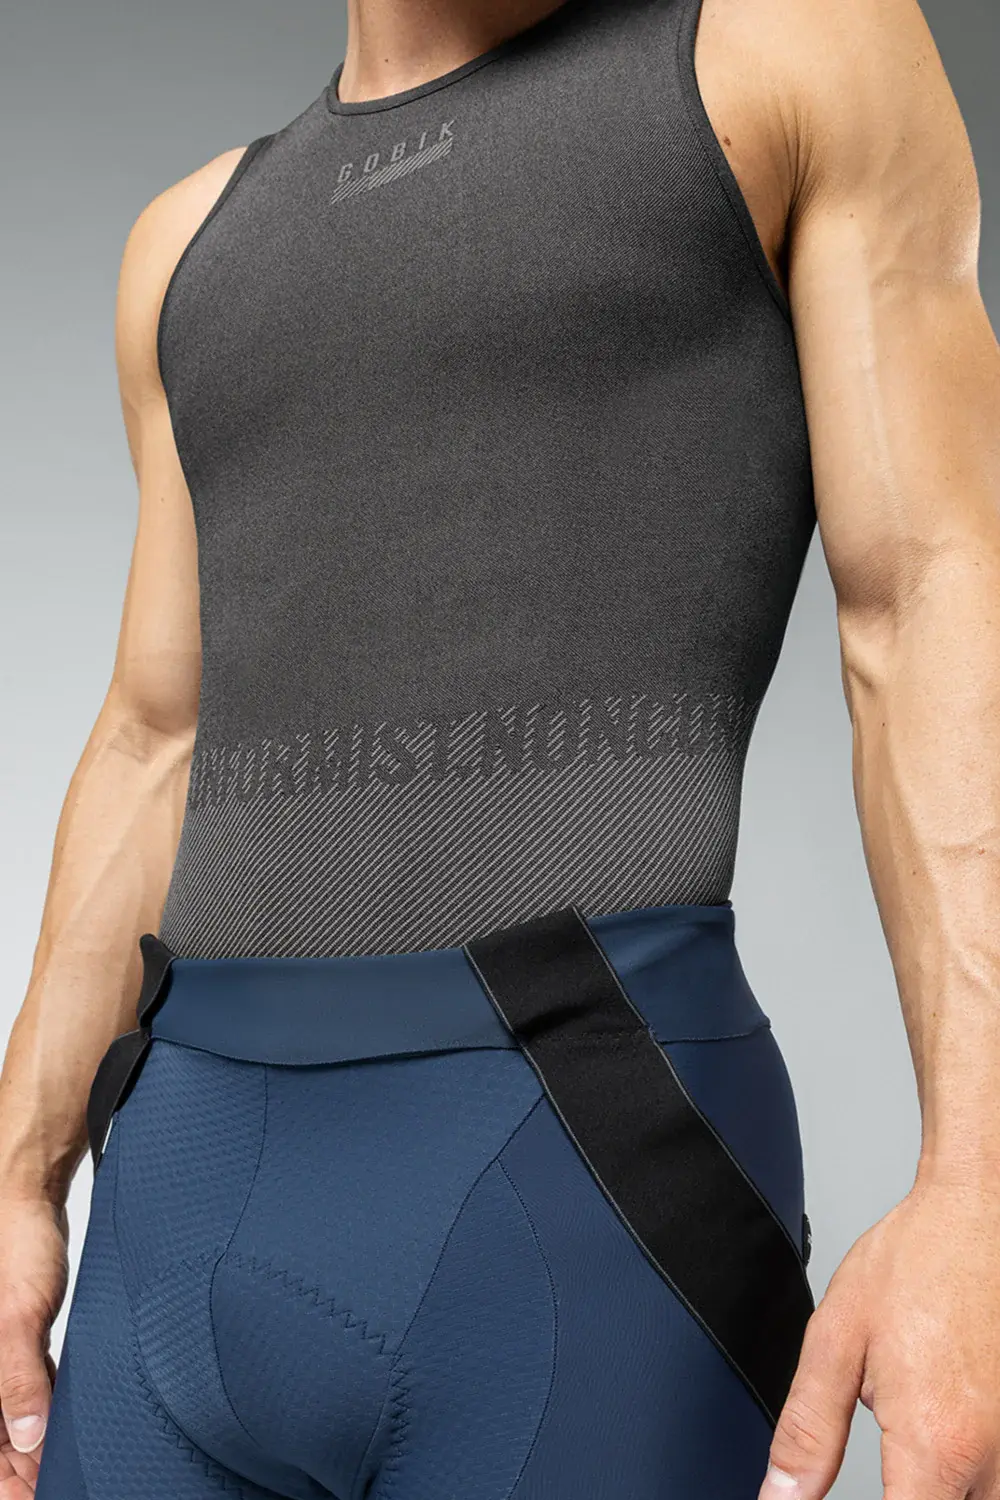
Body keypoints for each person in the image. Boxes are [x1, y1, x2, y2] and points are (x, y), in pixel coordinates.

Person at [2, 0, 999, 1495]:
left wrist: (981, 1191)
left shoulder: (778, 57)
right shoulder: (189, 243)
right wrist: (19, 1181)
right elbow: (158, 732)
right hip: (176, 1198)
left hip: (577, 1169)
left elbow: (930, 593)